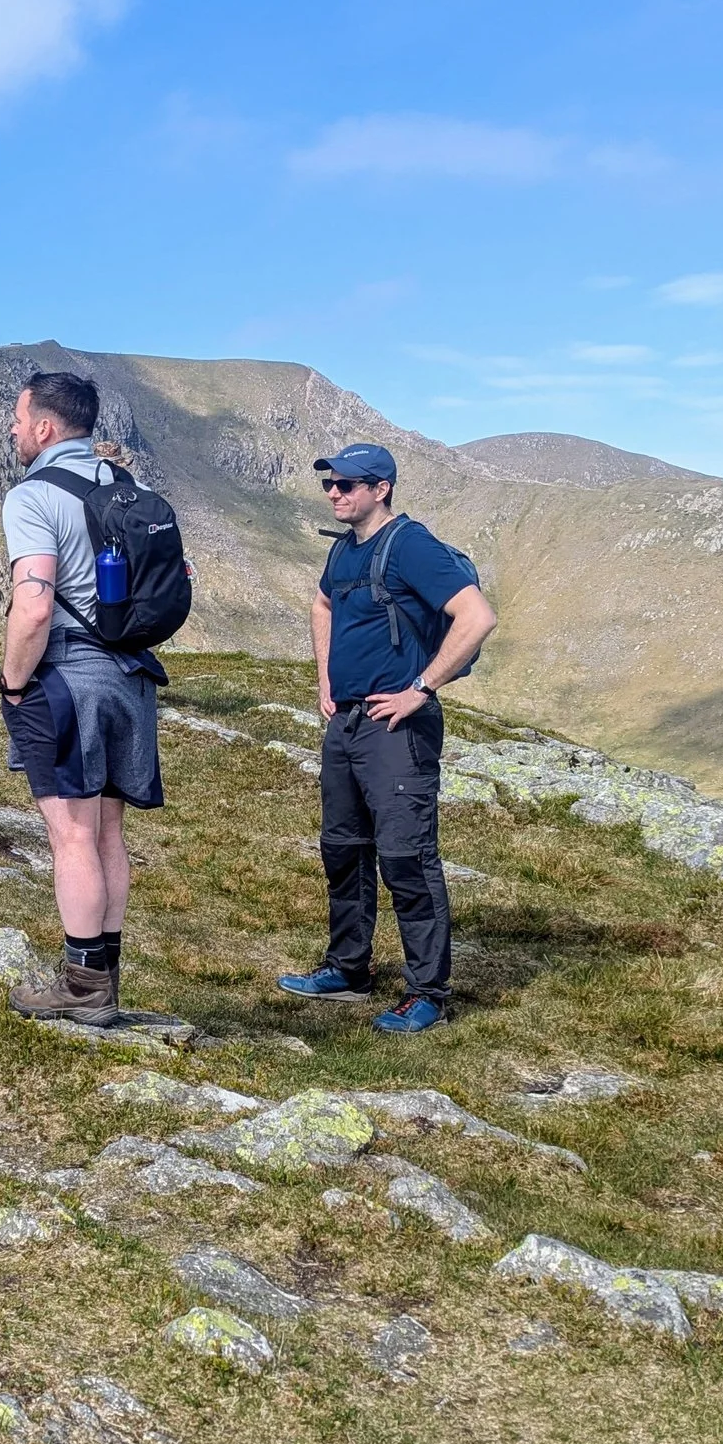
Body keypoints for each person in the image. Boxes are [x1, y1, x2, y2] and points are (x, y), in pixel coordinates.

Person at [277, 443, 496, 1033]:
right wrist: (325, 677)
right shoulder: (345, 551)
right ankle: (348, 968)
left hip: (398, 728)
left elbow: (477, 617)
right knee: (343, 849)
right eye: (330, 484)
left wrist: (420, 689)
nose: (335, 493)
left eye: (348, 484)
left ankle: (427, 991)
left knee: (405, 857)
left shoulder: (412, 547)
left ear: (382, 489)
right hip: (345, 723)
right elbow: (322, 603)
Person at [0, 371, 166, 1025]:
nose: (13, 429)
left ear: (44, 426)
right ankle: (106, 979)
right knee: (108, 834)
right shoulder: (132, 488)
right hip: (132, 679)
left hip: (69, 679)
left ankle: (82, 986)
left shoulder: (33, 496)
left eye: (18, 418)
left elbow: (34, 606)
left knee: (71, 834)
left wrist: (13, 683)